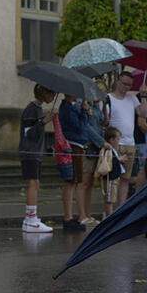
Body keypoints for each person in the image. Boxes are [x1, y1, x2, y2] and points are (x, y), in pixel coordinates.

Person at [104, 71, 147, 207]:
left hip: (130, 143)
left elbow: (143, 114)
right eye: (124, 84)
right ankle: (110, 208)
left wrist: (143, 96)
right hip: (115, 143)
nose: (126, 87)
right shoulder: (109, 98)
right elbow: (105, 120)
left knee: (126, 178)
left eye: (129, 85)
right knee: (113, 178)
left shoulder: (132, 98)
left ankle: (121, 207)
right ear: (118, 82)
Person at [20, 83, 57, 233]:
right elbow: (28, 133)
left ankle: (32, 217)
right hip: (30, 152)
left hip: (35, 152)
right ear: (44, 93)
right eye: (52, 94)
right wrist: (43, 122)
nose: (53, 97)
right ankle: (30, 219)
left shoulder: (38, 109)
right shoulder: (31, 109)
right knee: (33, 183)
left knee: (36, 183)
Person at [58, 94, 89, 231]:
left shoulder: (69, 107)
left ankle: (69, 216)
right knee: (70, 181)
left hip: (76, 144)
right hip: (73, 145)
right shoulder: (67, 109)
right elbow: (79, 127)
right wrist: (83, 112)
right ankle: (68, 217)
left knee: (72, 181)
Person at [77, 97, 106, 227]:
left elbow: (101, 124)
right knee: (83, 183)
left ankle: (87, 214)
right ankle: (82, 215)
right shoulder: (81, 104)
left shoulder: (97, 107)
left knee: (90, 184)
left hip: (95, 149)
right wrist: (101, 142)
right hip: (87, 147)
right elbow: (86, 127)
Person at [99, 127, 126, 217]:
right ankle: (109, 215)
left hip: (114, 177)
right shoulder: (108, 150)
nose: (119, 141)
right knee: (109, 198)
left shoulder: (113, 150)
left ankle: (110, 214)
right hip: (110, 178)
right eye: (118, 139)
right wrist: (119, 159)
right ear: (112, 140)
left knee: (112, 197)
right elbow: (110, 162)